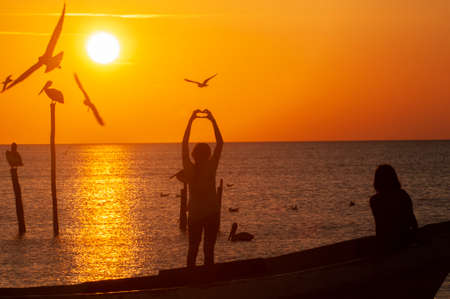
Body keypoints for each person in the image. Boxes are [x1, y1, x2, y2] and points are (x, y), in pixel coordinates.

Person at [182, 109, 223, 267]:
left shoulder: (190, 167)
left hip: (195, 215)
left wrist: (191, 121)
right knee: (209, 249)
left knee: (193, 248)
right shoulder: (211, 167)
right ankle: (209, 277)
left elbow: (184, 144)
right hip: (211, 213)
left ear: (194, 155)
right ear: (208, 154)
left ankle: (190, 278)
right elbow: (220, 143)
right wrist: (212, 120)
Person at [369, 164, 418, 251]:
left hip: (385, 244)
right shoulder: (403, 195)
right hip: (404, 241)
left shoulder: (374, 200)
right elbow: (412, 221)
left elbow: (380, 227)